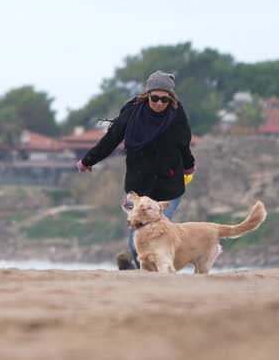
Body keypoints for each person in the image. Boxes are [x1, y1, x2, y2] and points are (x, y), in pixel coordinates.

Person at [76, 70, 195, 269]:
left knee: (160, 230)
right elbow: (111, 139)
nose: (159, 103)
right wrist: (88, 160)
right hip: (139, 185)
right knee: (136, 239)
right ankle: (139, 270)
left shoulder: (177, 114)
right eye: (154, 98)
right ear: (147, 96)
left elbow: (184, 144)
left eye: (164, 99)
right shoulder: (132, 112)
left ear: (171, 99)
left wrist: (189, 166)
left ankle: (160, 272)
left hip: (169, 183)